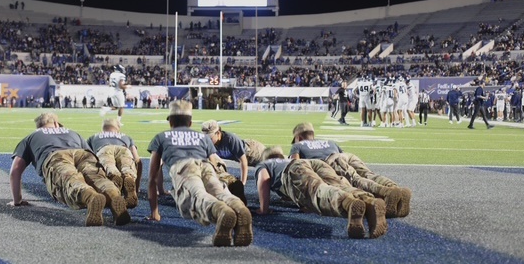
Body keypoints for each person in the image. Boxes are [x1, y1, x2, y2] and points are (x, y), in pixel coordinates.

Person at [146, 100, 253, 247]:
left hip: (184, 168)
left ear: (170, 122)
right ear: (190, 123)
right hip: (206, 165)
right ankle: (238, 207)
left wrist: (155, 213)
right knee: (219, 192)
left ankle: (221, 211)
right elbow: (216, 161)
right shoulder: (203, 138)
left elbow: (152, 177)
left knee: (198, 197)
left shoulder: (161, 137)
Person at [8, 112, 131, 227]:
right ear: (56, 124)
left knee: (70, 181)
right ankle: (114, 195)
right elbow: (93, 156)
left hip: (55, 156)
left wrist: (17, 201)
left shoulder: (31, 137)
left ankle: (90, 197)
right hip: (83, 153)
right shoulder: (73, 133)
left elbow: (15, 171)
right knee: (97, 178)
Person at [255, 146, 387, 239]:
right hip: (313, 163)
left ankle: (349, 203)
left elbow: (264, 181)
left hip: (295, 169)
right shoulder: (286, 159)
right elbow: (299, 191)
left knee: (320, 191)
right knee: (339, 185)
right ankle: (370, 201)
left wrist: (263, 209)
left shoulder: (264, 164)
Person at [289, 122, 411, 218]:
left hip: (329, 163)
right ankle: (395, 189)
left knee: (354, 182)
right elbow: (342, 155)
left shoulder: (297, 146)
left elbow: (297, 164)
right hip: (345, 157)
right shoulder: (329, 142)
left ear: (298, 137)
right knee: (367, 175)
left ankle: (384, 193)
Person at [87, 118, 141, 208]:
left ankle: (114, 176)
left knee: (109, 166)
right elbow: (137, 159)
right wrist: (137, 184)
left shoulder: (94, 137)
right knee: (127, 166)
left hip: (104, 148)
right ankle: (128, 176)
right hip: (123, 149)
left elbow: (87, 155)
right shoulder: (126, 136)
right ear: (118, 128)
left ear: (103, 128)